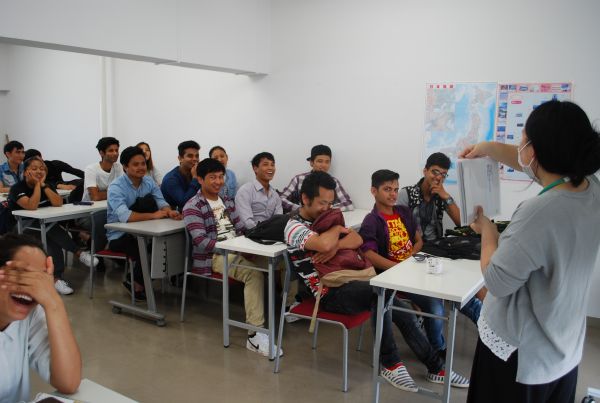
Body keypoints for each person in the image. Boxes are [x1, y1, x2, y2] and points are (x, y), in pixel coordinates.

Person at [460, 100, 600, 403]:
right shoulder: (590, 188)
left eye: (522, 139)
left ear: (533, 151)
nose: (518, 147)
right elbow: (540, 167)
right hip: (563, 348)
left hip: (520, 358)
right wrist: (487, 147)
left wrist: (488, 232)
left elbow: (496, 280)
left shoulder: (539, 212)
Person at [284, 171, 468, 392]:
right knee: (381, 292)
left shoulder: (327, 219)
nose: (328, 208)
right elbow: (323, 245)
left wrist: (335, 238)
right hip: (327, 293)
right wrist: (335, 231)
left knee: (400, 309)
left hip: (350, 279)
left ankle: (436, 368)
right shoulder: (293, 226)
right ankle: (390, 363)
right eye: (322, 203)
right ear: (305, 198)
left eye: (331, 203)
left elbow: (356, 238)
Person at [358, 169, 468, 387]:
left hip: (411, 270)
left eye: (395, 189)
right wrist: (397, 269)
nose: (393, 194)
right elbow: (368, 253)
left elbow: (418, 241)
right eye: (387, 189)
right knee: (427, 307)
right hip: (391, 278)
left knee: (439, 302)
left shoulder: (403, 212)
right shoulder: (372, 220)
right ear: (374, 191)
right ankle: (435, 361)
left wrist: (411, 258)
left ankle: (437, 353)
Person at [183, 158, 281, 357]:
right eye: (213, 177)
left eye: (221, 177)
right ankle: (255, 334)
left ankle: (289, 311)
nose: (218, 181)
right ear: (200, 179)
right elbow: (201, 241)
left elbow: (241, 227)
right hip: (215, 256)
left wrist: (255, 240)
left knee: (280, 262)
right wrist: (231, 248)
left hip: (237, 248)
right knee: (254, 275)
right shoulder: (192, 206)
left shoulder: (226, 200)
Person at [0, 233, 81, 402]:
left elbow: (68, 382)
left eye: (41, 279)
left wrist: (54, 303)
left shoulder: (31, 315)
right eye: (22, 274)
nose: (32, 288)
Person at [8, 157, 98, 295]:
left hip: (44, 224)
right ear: (25, 172)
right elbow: (31, 206)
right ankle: (78, 253)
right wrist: (37, 185)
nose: (39, 171)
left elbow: (58, 203)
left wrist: (44, 186)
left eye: (42, 169)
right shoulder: (17, 188)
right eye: (34, 169)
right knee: (49, 230)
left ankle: (57, 279)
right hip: (22, 226)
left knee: (51, 239)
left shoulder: (47, 185)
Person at [106, 146, 181, 300]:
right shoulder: (116, 187)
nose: (141, 167)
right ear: (125, 167)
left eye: (143, 163)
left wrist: (169, 211)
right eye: (135, 164)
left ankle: (134, 280)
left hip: (145, 231)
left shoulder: (148, 181)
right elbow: (126, 216)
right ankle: (138, 285)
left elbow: (161, 202)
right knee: (146, 253)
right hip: (120, 235)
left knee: (164, 247)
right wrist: (154, 215)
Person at [398, 152, 460, 241]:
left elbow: (460, 223)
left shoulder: (442, 196)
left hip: (436, 245)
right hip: (413, 245)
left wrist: (447, 197)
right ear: (425, 171)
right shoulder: (406, 193)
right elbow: (400, 228)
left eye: (443, 174)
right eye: (435, 172)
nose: (439, 178)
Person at [79, 137, 124, 258]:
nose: (115, 153)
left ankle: (113, 253)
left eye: (116, 150)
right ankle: (98, 256)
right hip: (87, 213)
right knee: (102, 222)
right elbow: (95, 196)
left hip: (110, 210)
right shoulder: (91, 169)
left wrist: (103, 192)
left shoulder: (118, 167)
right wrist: (112, 191)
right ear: (101, 153)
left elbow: (122, 192)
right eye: (111, 150)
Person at [279, 144, 354, 212]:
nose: (324, 165)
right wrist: (300, 209)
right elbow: (281, 199)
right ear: (311, 162)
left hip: (324, 219)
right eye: (320, 161)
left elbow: (348, 204)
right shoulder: (298, 179)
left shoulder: (334, 181)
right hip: (302, 219)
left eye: (327, 162)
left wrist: (328, 208)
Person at [235, 152, 282, 230]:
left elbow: (279, 220)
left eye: (272, 165)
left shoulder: (275, 195)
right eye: (265, 164)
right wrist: (265, 232)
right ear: (255, 168)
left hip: (272, 233)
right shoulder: (245, 191)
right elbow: (247, 223)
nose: (270, 168)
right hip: (251, 234)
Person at [161, 140, 201, 212]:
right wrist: (195, 178)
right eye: (190, 156)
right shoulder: (171, 179)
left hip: (192, 213)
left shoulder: (196, 173)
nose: (195, 159)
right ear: (180, 158)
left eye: (197, 156)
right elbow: (184, 203)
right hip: (172, 216)